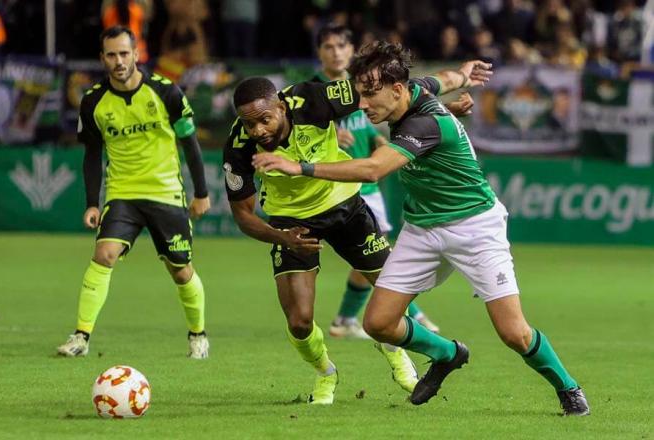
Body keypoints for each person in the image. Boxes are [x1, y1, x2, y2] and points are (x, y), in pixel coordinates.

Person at [252, 41, 590, 416]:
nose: (361, 105)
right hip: (422, 228)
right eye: (360, 93)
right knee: (378, 323)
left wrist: (301, 167)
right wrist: (464, 73)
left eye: (368, 95)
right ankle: (448, 354)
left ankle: (569, 387)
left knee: (514, 333)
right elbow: (442, 79)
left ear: (396, 90)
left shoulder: (426, 121)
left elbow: (373, 170)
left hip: (475, 227)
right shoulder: (413, 92)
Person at [223, 62, 474, 405]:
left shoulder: (314, 99)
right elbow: (242, 216)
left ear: (281, 106)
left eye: (264, 119)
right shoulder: (239, 146)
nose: (257, 130)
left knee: (395, 292)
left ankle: (391, 345)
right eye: (249, 123)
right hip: (291, 223)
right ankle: (326, 372)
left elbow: (389, 94)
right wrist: (282, 238)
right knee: (299, 321)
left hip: (345, 207)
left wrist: (447, 99)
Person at [57, 26, 211, 359]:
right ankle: (81, 336)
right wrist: (91, 203)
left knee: (180, 269)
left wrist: (201, 193)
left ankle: (198, 334)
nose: (118, 61)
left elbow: (190, 143)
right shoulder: (93, 101)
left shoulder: (167, 93)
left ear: (136, 53)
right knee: (103, 255)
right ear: (102, 59)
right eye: (111, 55)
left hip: (166, 193)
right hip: (122, 194)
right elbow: (92, 155)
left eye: (124, 53)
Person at [312, 23, 439, 339]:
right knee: (377, 249)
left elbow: (365, 130)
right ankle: (411, 313)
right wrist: (324, 134)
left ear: (351, 50)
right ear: (319, 52)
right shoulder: (312, 92)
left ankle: (346, 319)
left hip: (368, 186)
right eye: (328, 47)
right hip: (342, 186)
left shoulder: (359, 88)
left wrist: (382, 144)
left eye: (341, 46)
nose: (336, 52)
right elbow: (293, 133)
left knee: (373, 251)